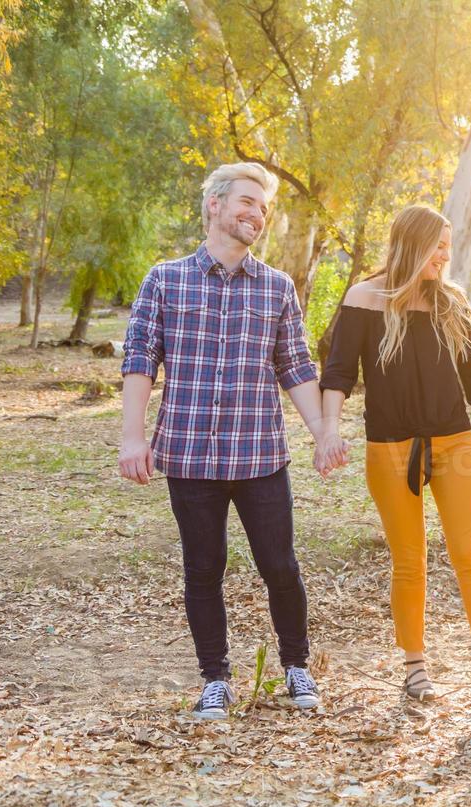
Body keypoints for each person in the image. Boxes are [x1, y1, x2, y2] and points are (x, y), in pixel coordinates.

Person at [118, 161, 333, 721]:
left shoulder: (278, 287)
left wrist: (322, 433)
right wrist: (132, 437)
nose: (256, 214)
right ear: (214, 204)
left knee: (280, 566)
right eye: (246, 201)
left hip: (260, 455)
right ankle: (215, 678)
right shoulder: (164, 279)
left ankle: (296, 666)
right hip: (188, 455)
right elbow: (140, 358)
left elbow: (295, 367)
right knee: (203, 569)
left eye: (263, 207)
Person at [318, 205, 471, 711]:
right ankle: (414, 664)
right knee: (409, 560)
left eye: (447, 246)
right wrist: (328, 432)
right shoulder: (365, 300)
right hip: (388, 448)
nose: (444, 255)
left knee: (470, 555)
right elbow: (338, 374)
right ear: (409, 244)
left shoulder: (450, 304)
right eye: (436, 245)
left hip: (452, 444)